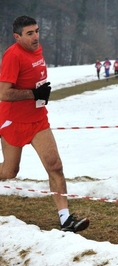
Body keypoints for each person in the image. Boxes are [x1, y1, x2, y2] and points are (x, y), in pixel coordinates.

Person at [0, 15, 89, 233]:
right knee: (10, 171)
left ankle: (66, 220)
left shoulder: (37, 50)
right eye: (30, 33)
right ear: (17, 36)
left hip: (38, 119)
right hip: (13, 121)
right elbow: (4, 93)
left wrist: (41, 92)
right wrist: (33, 93)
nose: (36, 37)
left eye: (37, 31)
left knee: (55, 165)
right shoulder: (12, 56)